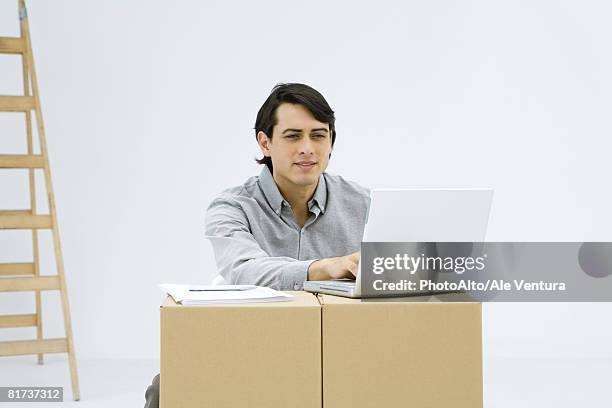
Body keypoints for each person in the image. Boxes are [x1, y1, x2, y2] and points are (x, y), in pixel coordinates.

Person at [144, 83, 369, 408]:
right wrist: (324, 267)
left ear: (331, 140)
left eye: (318, 135)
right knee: (165, 388)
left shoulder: (364, 204)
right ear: (265, 142)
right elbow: (244, 269)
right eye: (293, 136)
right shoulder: (232, 207)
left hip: (340, 347)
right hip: (250, 344)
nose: (307, 148)